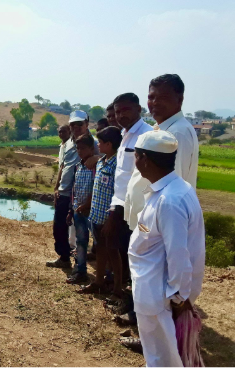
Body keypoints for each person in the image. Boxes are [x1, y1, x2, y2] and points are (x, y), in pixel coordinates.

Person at [129, 130, 205, 366]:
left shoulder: (170, 200)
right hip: (152, 291)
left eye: (136, 156)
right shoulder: (174, 189)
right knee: (159, 353)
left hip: (157, 296)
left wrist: (178, 298)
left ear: (144, 159)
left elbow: (179, 255)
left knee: (163, 357)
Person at [124, 74, 199, 231]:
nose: (155, 103)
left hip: (153, 228)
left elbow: (171, 186)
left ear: (179, 100)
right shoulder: (162, 129)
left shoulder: (177, 133)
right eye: (151, 97)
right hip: (145, 223)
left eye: (162, 97)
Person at [101, 93, 153, 305]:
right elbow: (122, 178)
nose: (121, 115)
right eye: (117, 111)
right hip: (121, 206)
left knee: (139, 257)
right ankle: (123, 296)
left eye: (126, 110)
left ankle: (135, 305)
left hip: (139, 210)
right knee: (121, 251)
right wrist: (115, 208)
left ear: (139, 110)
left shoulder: (147, 135)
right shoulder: (124, 136)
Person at [47, 111, 97, 268]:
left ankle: (81, 264)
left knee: (83, 232)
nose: (76, 127)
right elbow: (62, 166)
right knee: (59, 227)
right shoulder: (68, 143)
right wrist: (57, 188)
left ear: (87, 124)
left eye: (79, 124)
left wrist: (96, 158)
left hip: (83, 195)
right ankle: (64, 258)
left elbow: (107, 158)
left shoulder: (94, 143)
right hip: (64, 192)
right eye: (72, 124)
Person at [77, 127, 121, 294]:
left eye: (100, 143)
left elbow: (119, 192)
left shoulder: (117, 164)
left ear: (109, 144)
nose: (98, 145)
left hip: (108, 218)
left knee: (113, 253)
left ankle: (117, 288)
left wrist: (112, 218)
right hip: (96, 215)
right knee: (100, 250)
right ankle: (98, 282)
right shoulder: (101, 161)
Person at [65, 134, 96, 284]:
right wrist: (72, 210)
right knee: (81, 242)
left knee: (100, 244)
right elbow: (75, 191)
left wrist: (86, 205)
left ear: (91, 148)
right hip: (79, 212)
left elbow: (96, 190)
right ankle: (81, 271)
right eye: (77, 148)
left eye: (83, 148)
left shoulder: (97, 167)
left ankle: (107, 277)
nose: (79, 151)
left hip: (93, 212)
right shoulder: (78, 166)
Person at [55, 125, 77, 253]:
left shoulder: (73, 145)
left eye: (63, 131)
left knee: (72, 221)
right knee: (62, 222)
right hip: (63, 186)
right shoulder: (63, 146)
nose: (61, 133)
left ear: (69, 131)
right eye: (59, 131)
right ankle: (66, 248)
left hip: (72, 189)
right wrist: (56, 186)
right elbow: (62, 166)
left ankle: (72, 245)